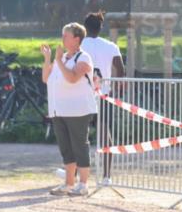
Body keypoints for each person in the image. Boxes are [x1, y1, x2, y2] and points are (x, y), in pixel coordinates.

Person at [42, 23, 96, 197]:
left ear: (76, 39)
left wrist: (58, 60)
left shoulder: (83, 57)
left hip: (78, 109)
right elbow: (45, 78)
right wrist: (48, 59)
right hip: (59, 110)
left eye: (66, 35)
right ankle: (69, 183)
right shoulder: (63, 58)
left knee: (80, 146)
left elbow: (72, 78)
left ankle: (83, 184)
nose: (62, 38)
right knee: (66, 148)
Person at [81, 11, 124, 183]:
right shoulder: (110, 46)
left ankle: (77, 174)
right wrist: (116, 90)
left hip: (82, 95)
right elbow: (120, 69)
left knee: (79, 136)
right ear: (101, 27)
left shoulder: (79, 45)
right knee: (105, 134)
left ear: (84, 28)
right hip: (104, 94)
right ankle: (107, 175)